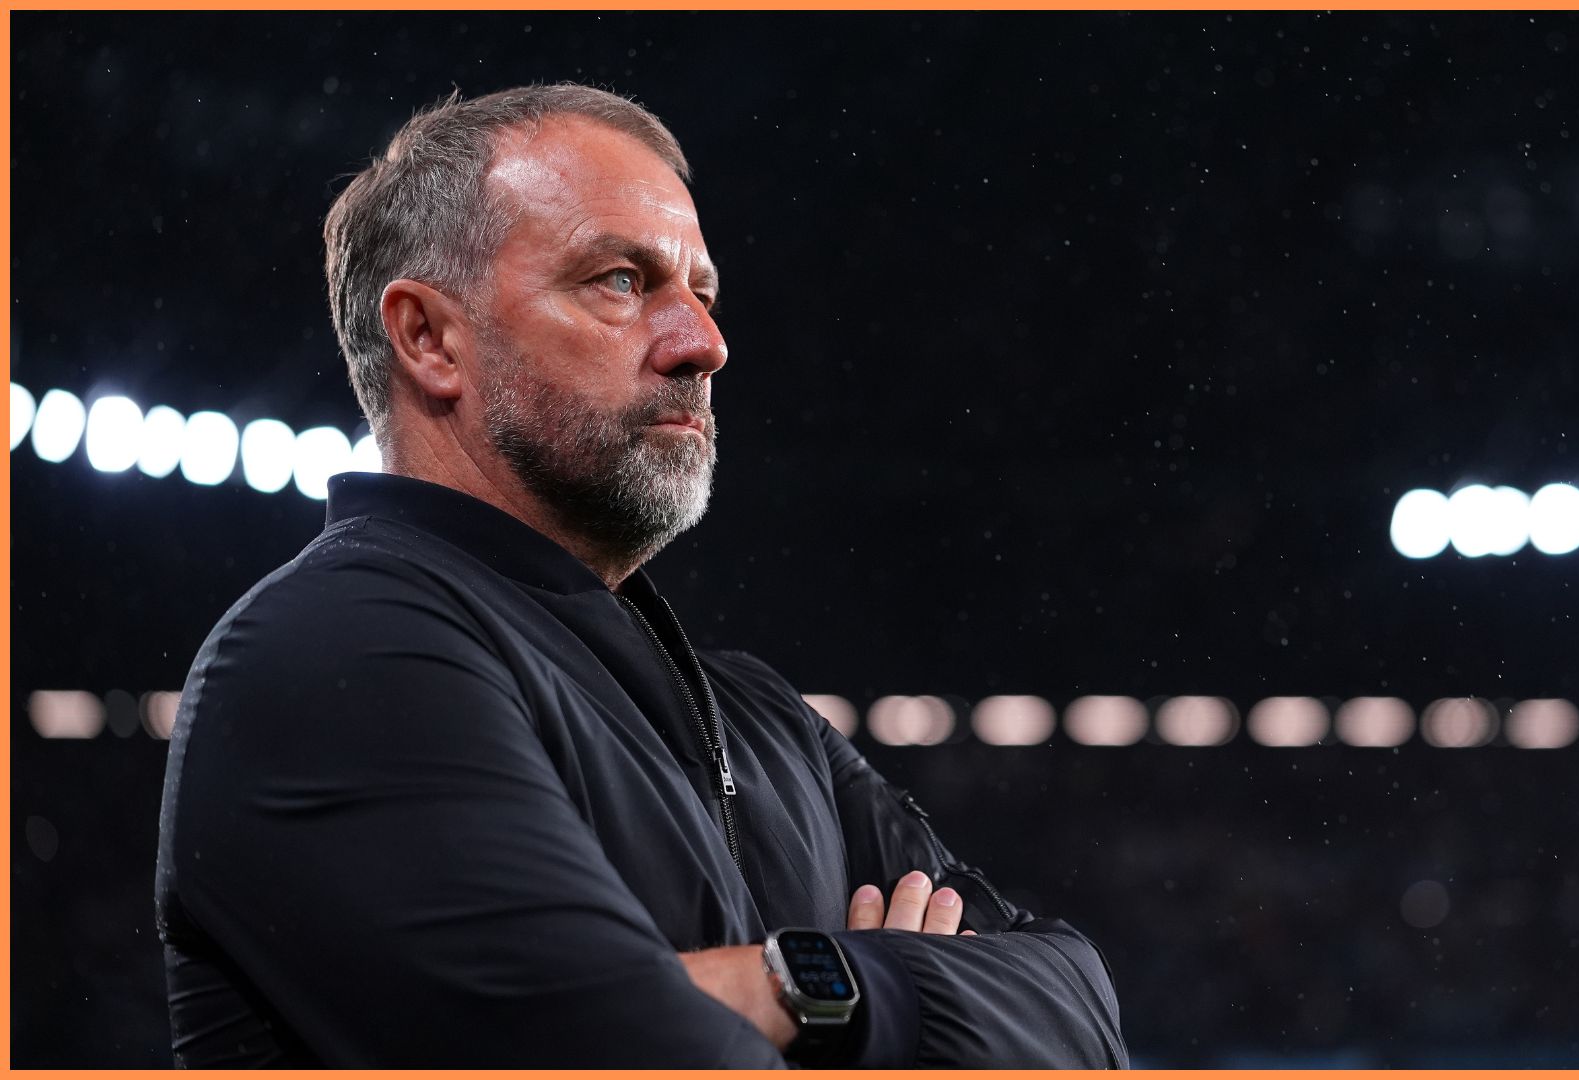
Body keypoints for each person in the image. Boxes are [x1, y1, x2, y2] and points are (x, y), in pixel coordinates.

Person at [152, 84, 1128, 1068]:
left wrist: (807, 984)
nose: (704, 344)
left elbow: (1082, 1020)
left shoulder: (761, 714)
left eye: (700, 292)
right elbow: (609, 1051)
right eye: (620, 280)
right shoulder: (335, 648)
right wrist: (872, 987)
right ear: (429, 339)